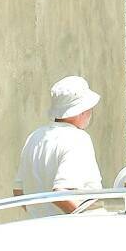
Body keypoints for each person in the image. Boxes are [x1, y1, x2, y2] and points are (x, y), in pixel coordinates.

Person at [13, 76, 102, 218]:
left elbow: (18, 192)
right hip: (69, 233)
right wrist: (87, 224)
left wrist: (39, 215)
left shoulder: (34, 137)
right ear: (81, 111)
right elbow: (61, 194)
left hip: (36, 230)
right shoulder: (78, 139)